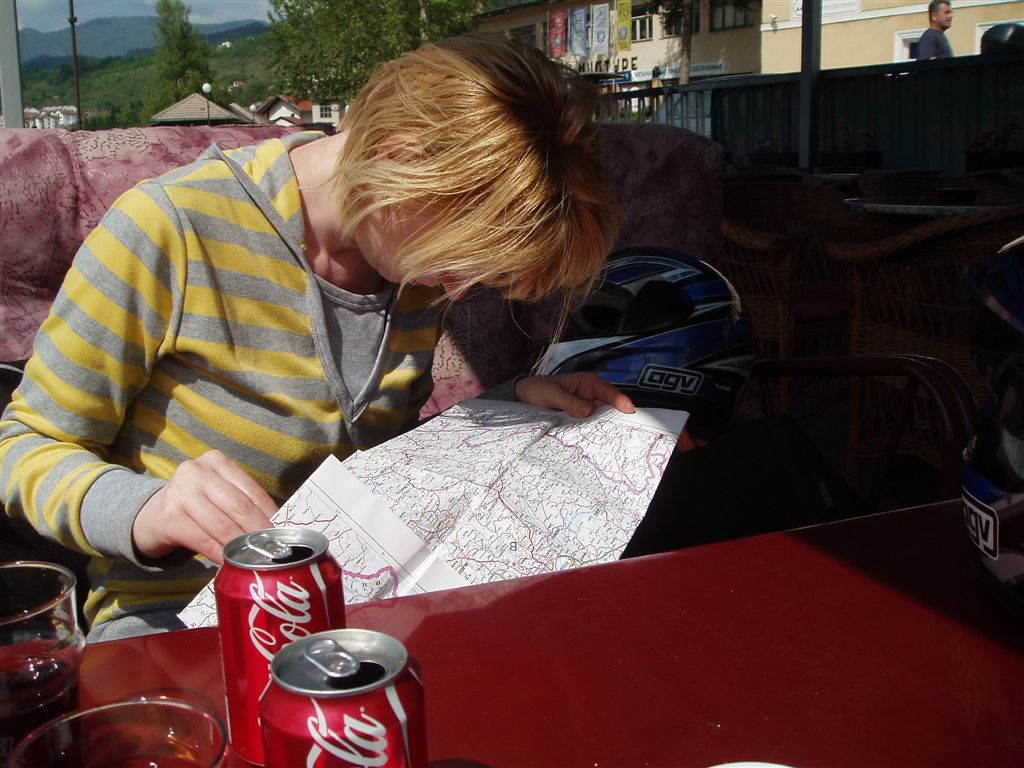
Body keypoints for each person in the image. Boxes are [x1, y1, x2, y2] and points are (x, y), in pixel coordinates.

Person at [0, 35, 634, 641]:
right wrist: (150, 510)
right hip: (180, 615)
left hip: (358, 602)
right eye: (459, 257)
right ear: (400, 156)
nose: (461, 289)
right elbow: (25, 447)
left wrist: (510, 407)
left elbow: (371, 460)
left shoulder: (407, 261)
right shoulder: (171, 229)